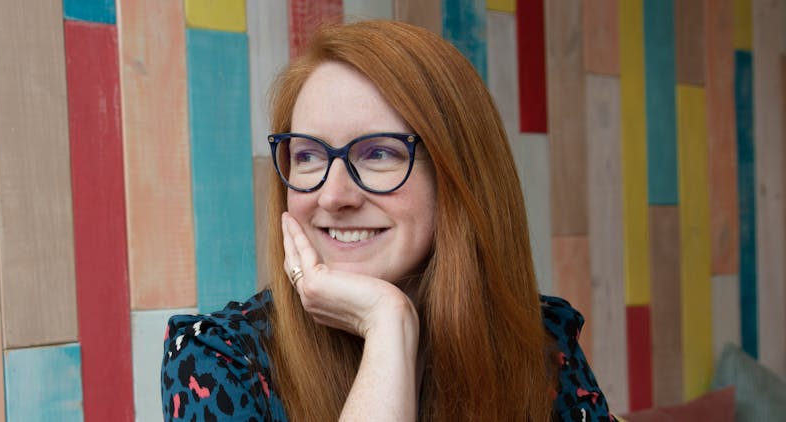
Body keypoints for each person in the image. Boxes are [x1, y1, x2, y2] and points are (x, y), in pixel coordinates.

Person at [162, 20, 612, 421]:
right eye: (308, 155)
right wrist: (387, 323)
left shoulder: (542, 342)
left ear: (457, 177)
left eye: (378, 153)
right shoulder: (218, 358)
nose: (333, 195)